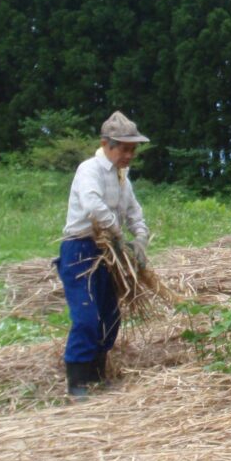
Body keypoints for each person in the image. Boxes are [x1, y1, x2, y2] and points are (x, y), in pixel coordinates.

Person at [58, 111, 151, 397]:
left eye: (132, 149)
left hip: (109, 253)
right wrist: (118, 233)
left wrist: (140, 238)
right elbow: (93, 206)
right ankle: (77, 380)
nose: (129, 155)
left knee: (110, 315)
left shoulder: (123, 177)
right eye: (124, 148)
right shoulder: (90, 170)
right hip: (81, 249)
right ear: (106, 144)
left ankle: (98, 373)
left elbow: (133, 210)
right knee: (86, 315)